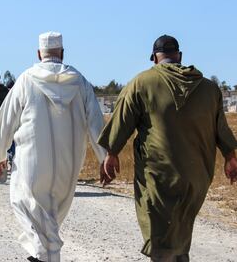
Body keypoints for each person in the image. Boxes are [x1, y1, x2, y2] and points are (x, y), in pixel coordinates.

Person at [98, 35, 237, 262]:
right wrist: (231, 158)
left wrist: (111, 155)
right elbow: (221, 128)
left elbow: (121, 122)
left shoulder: (142, 83)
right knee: (181, 227)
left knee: (160, 237)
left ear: (154, 58)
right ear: (179, 57)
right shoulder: (210, 89)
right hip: (197, 177)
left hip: (159, 176)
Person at [0, 32, 106, 262]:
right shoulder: (79, 81)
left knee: (24, 202)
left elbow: (7, 118)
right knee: (50, 216)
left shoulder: (26, 79)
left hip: (33, 161)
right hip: (68, 164)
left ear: (39, 53)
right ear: (62, 53)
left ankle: (43, 256)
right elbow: (96, 122)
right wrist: (105, 158)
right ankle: (42, 255)